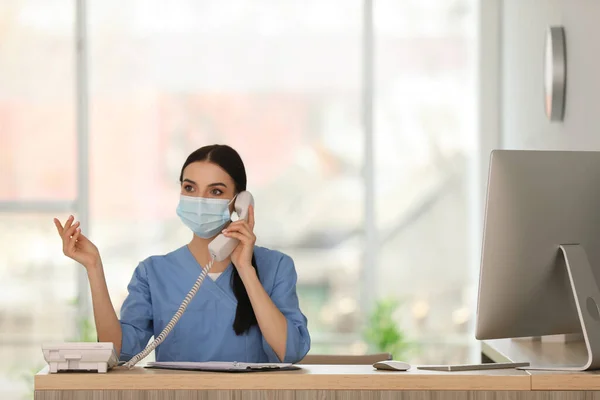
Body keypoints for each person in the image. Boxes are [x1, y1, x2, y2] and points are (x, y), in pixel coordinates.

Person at [53, 144, 311, 364]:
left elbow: (289, 352)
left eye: (216, 191)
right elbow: (120, 352)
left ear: (240, 202)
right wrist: (94, 267)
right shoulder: (153, 273)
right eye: (190, 188)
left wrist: (245, 269)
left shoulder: (276, 267)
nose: (200, 200)